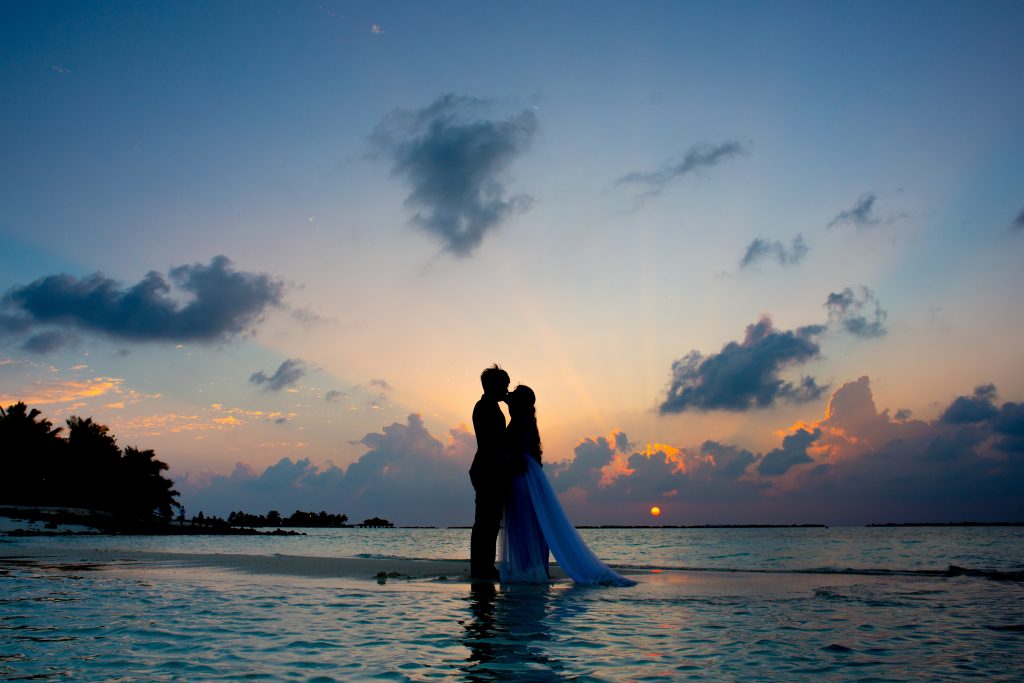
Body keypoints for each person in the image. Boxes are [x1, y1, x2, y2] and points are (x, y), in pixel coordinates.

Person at [500, 385, 636, 586]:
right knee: (534, 522)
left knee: (525, 521)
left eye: (513, 394)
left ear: (518, 402)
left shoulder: (520, 422)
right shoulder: (526, 420)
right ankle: (535, 568)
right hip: (529, 475)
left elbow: (516, 450)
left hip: (522, 477)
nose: (508, 395)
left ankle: (529, 568)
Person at [469, 364, 511, 580]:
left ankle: (483, 566)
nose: (506, 390)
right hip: (487, 469)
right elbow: (493, 442)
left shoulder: (490, 406)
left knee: (489, 521)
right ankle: (481, 567)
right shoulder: (485, 407)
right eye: (504, 385)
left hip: (488, 468)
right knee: (487, 520)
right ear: (493, 386)